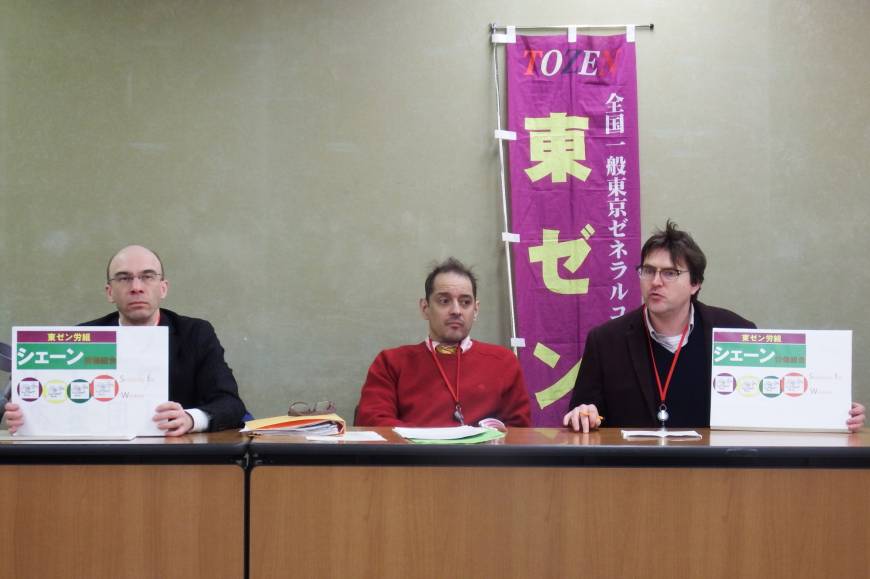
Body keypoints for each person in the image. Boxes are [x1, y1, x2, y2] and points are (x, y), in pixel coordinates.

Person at [563, 221, 866, 433]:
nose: (655, 282)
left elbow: (773, 405)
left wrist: (834, 412)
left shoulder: (737, 333)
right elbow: (584, 413)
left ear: (695, 283)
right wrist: (583, 415)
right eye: (648, 271)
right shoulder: (606, 341)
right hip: (633, 478)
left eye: (670, 273)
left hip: (717, 480)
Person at [4, 245, 246, 436]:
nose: (136, 287)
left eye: (147, 277)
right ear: (110, 292)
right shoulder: (83, 338)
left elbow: (230, 404)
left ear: (163, 288)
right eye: (124, 278)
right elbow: (62, 407)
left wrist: (192, 419)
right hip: (103, 460)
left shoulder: (195, 334)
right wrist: (28, 417)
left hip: (178, 457)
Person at [356, 257, 531, 427]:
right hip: (414, 456)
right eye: (444, 301)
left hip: (482, 457)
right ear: (425, 308)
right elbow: (372, 422)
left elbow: (520, 430)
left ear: (475, 310)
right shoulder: (391, 362)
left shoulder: (503, 362)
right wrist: (434, 440)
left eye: (465, 302)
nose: (456, 311)